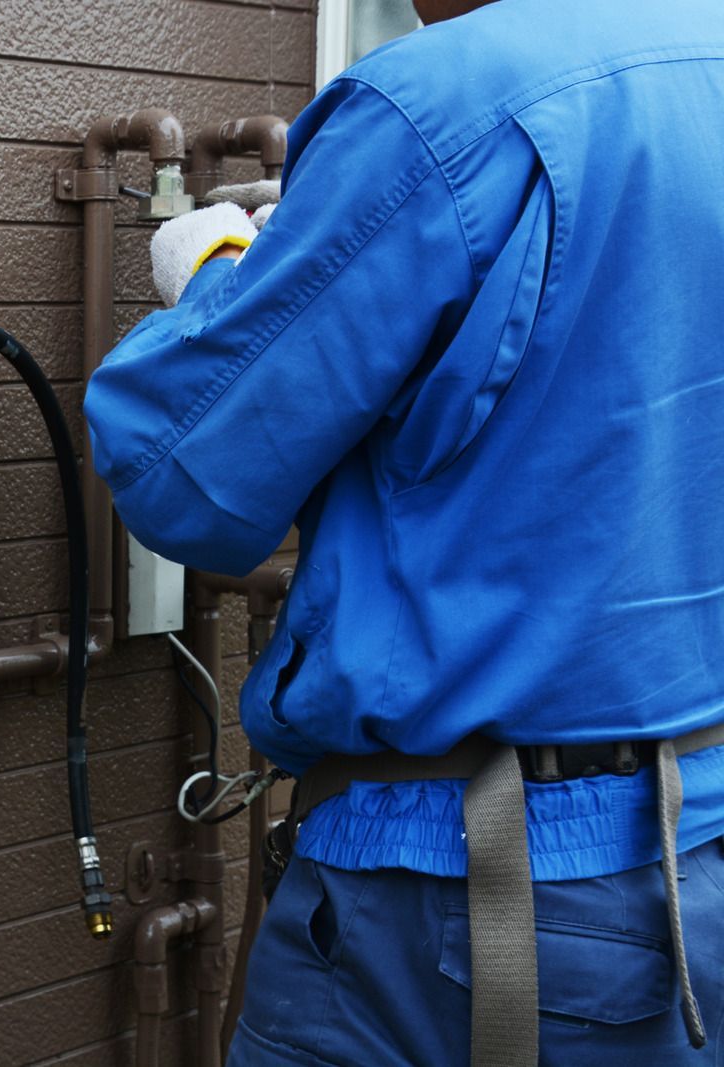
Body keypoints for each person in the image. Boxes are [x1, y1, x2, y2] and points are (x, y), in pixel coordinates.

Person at [82, 0, 724, 1063]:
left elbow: (187, 472)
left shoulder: (442, 105)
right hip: (692, 847)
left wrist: (216, 271)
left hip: (457, 895)